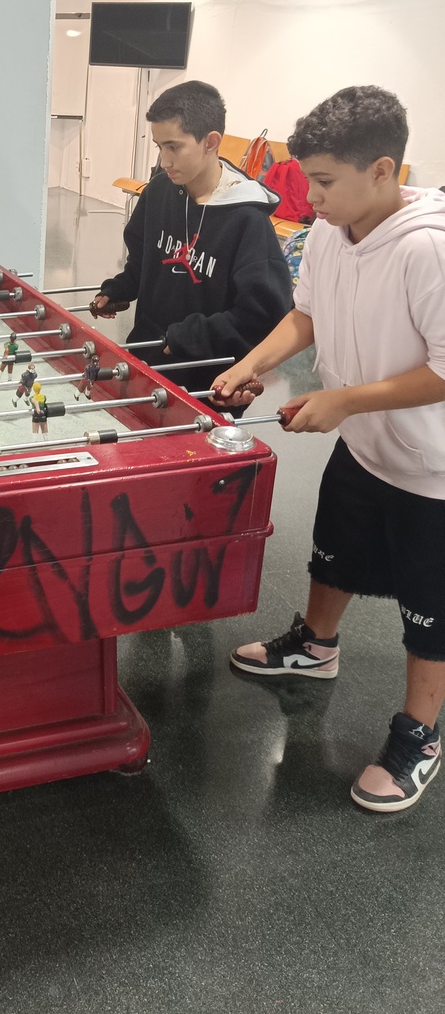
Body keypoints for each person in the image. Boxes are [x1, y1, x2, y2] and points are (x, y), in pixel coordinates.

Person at [214, 86, 445, 814]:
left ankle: (420, 733)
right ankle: (315, 645)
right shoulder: (328, 231)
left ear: (381, 171)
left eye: (322, 181)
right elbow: (306, 314)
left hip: (432, 469)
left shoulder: (429, 248)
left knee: (429, 606)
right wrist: (251, 362)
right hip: (366, 443)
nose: (308, 196)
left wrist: (343, 400)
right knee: (333, 552)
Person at [90, 81, 293, 394]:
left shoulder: (248, 219)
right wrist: (120, 288)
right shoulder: (158, 191)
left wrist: (193, 335)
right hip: (146, 357)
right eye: (159, 147)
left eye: (173, 147)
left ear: (210, 142)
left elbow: (262, 314)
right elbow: (143, 262)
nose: (164, 161)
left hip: (207, 384)